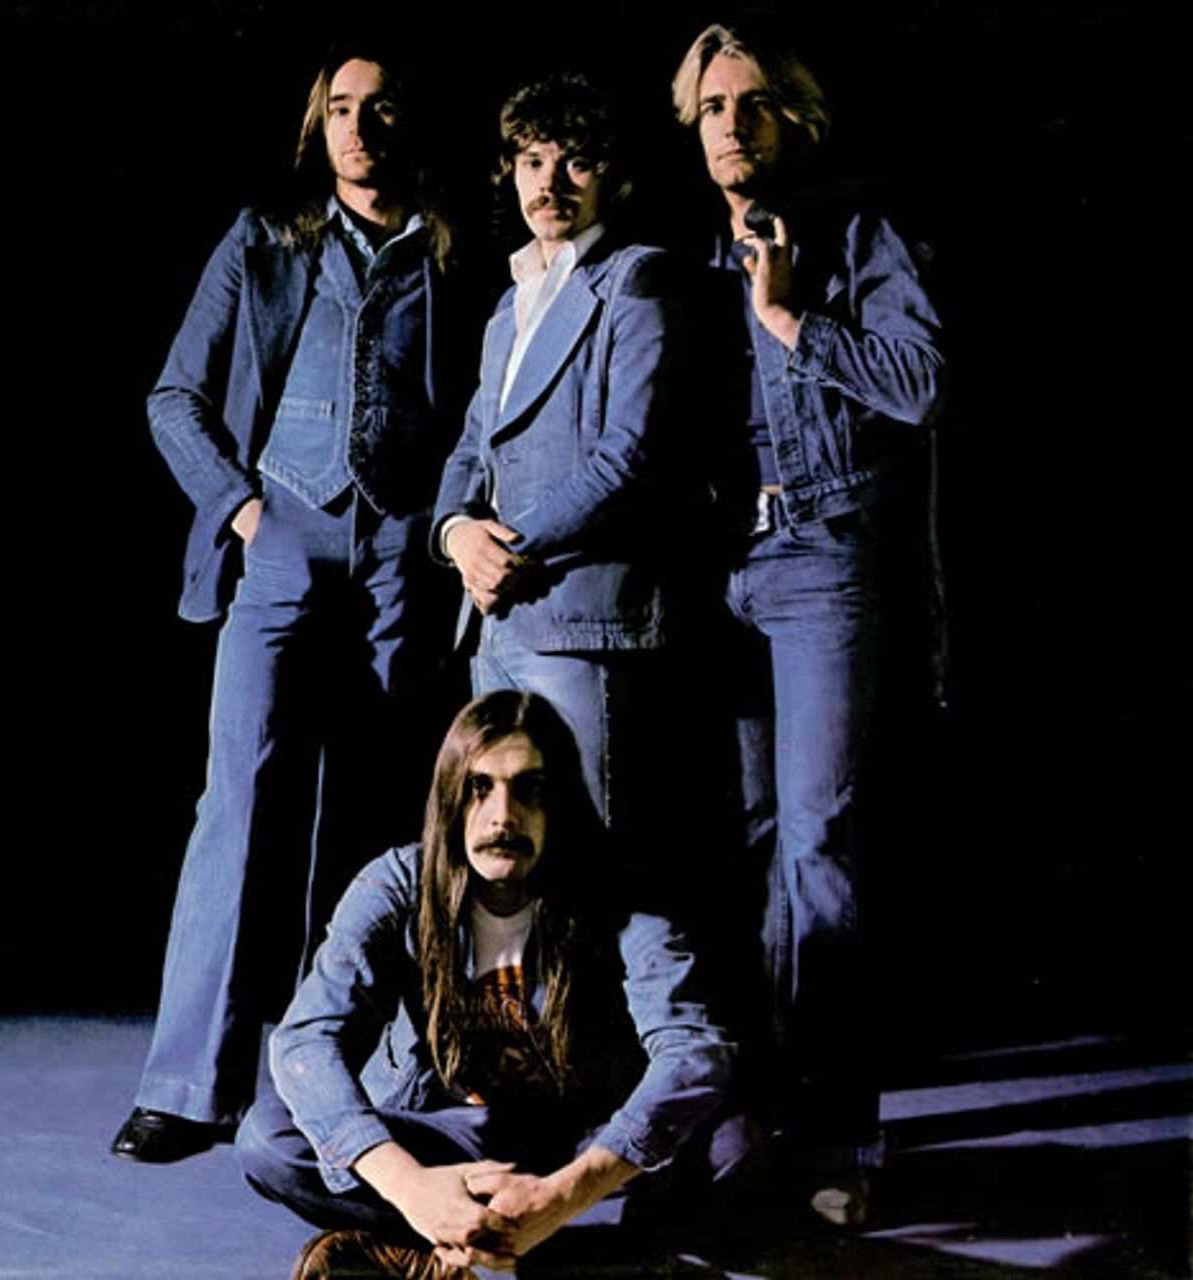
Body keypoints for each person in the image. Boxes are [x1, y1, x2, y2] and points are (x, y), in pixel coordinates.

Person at [111, 42, 474, 1163]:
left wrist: (440, 525)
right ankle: (188, 1087)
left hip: (401, 551)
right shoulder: (264, 240)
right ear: (320, 129)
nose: (361, 126)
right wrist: (242, 510)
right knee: (241, 799)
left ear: (410, 125)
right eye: (342, 108)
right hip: (282, 534)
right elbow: (174, 396)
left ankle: (356, 1075)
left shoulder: (454, 251)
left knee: (381, 813)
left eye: (381, 107)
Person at [670, 22, 947, 1222]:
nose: (731, 124)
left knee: (818, 844)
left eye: (752, 103)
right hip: (723, 569)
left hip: (825, 551)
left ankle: (837, 1135)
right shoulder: (686, 252)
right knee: (747, 845)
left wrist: (791, 320)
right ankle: (750, 1123)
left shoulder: (856, 232)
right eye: (711, 106)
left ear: (795, 119)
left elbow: (920, 383)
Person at [235, 690, 749, 1279]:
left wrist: (566, 1193)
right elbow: (306, 1040)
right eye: (480, 787)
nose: (503, 816)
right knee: (269, 1138)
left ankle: (459, 1252)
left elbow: (692, 1049)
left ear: (559, 802)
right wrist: (411, 1187)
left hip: (576, 1133)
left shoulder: (617, 888)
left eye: (529, 789)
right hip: (446, 1132)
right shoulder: (398, 884)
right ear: (450, 798)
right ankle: (565, 1256)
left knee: (732, 1145)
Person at [432, 72, 697, 838]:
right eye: (532, 162)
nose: (549, 184)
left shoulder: (636, 278)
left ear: (612, 177)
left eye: (576, 162)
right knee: (512, 854)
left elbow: (627, 457)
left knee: (594, 849)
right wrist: (457, 534)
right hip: (493, 622)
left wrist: (506, 553)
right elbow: (471, 449)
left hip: (579, 615)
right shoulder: (507, 305)